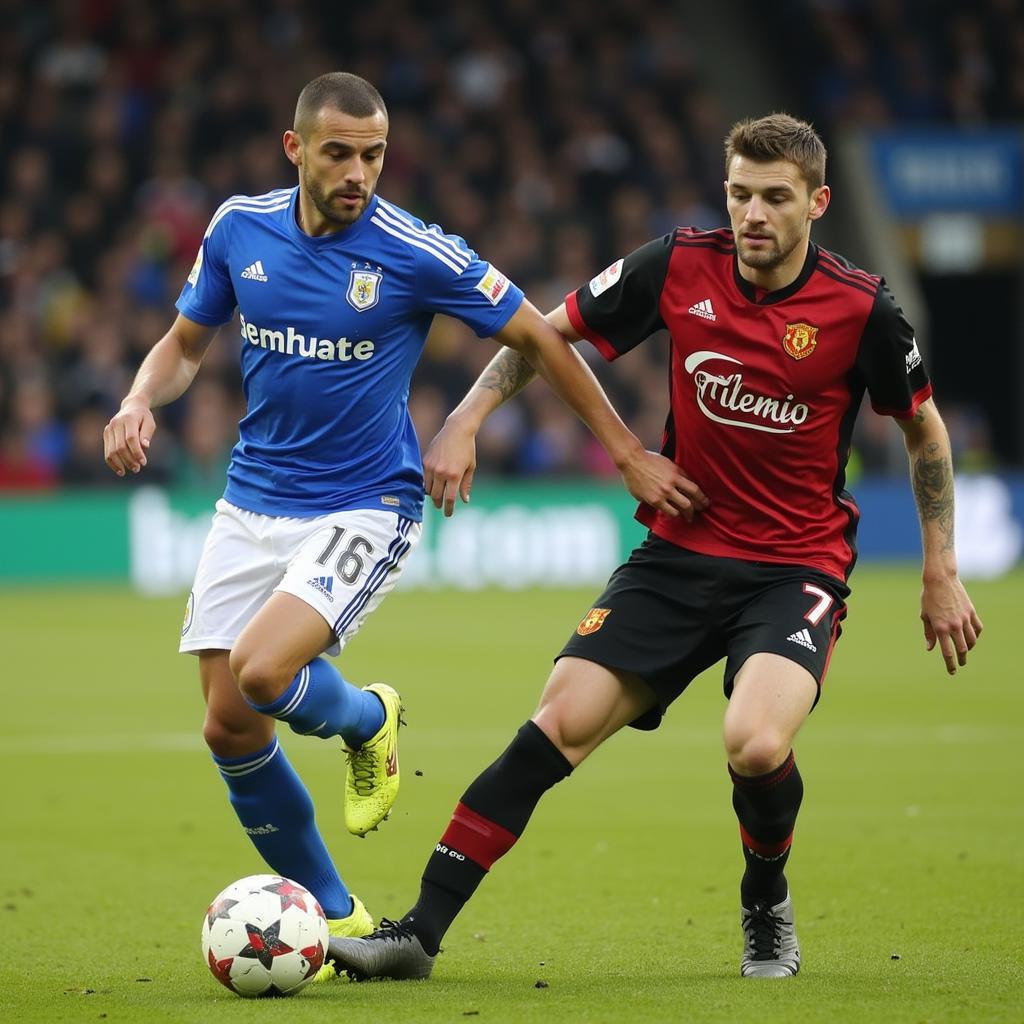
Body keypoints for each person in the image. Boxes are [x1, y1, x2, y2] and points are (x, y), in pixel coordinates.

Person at [325, 113, 984, 981]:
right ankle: (418, 935)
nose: (754, 214)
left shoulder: (860, 309)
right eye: (741, 193)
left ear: (817, 203)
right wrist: (466, 416)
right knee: (552, 726)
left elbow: (925, 431)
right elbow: (541, 333)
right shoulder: (678, 266)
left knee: (753, 743)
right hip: (678, 555)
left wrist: (940, 568)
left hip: (795, 568)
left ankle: (765, 902)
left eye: (776, 199)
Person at [102, 72, 703, 982]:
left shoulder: (415, 250)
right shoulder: (237, 229)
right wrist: (140, 398)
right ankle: (337, 916)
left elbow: (539, 336)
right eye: (339, 152)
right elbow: (187, 344)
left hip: (364, 501)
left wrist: (621, 449)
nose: (359, 171)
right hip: (251, 499)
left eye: (374, 153)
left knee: (266, 672)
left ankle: (365, 718)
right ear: (294, 149)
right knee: (228, 728)